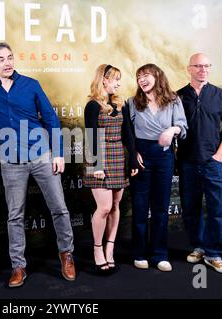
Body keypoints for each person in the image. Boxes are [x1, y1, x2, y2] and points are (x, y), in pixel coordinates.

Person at [0, 42, 76, 287]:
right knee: (14, 215)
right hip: (11, 159)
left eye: (10, 57)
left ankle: (67, 254)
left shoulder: (30, 85)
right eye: (1, 59)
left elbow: (51, 118)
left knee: (59, 207)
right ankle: (18, 266)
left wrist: (59, 153)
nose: (7, 62)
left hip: (42, 154)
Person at [177, 53, 222, 274]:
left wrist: (219, 155)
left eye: (207, 66)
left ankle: (214, 254)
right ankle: (199, 246)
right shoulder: (179, 96)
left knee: (216, 208)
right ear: (189, 68)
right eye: (198, 66)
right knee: (190, 208)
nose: (203, 69)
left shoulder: (220, 95)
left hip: (213, 162)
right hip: (188, 162)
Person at [127, 63, 188, 272]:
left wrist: (172, 129)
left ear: (157, 76)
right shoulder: (133, 102)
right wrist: (133, 153)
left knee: (161, 208)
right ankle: (139, 253)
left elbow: (183, 126)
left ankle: (160, 254)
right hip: (142, 155)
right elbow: (127, 132)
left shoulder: (173, 100)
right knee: (140, 205)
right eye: (138, 77)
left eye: (145, 75)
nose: (142, 80)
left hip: (164, 157)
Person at [83, 64, 139, 274]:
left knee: (116, 206)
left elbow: (129, 135)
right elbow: (91, 136)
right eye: (115, 79)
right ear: (103, 80)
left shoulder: (120, 104)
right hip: (100, 158)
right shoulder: (93, 105)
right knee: (104, 208)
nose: (118, 83)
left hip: (118, 158)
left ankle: (110, 248)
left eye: (119, 79)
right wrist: (96, 165)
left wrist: (132, 160)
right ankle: (97, 249)